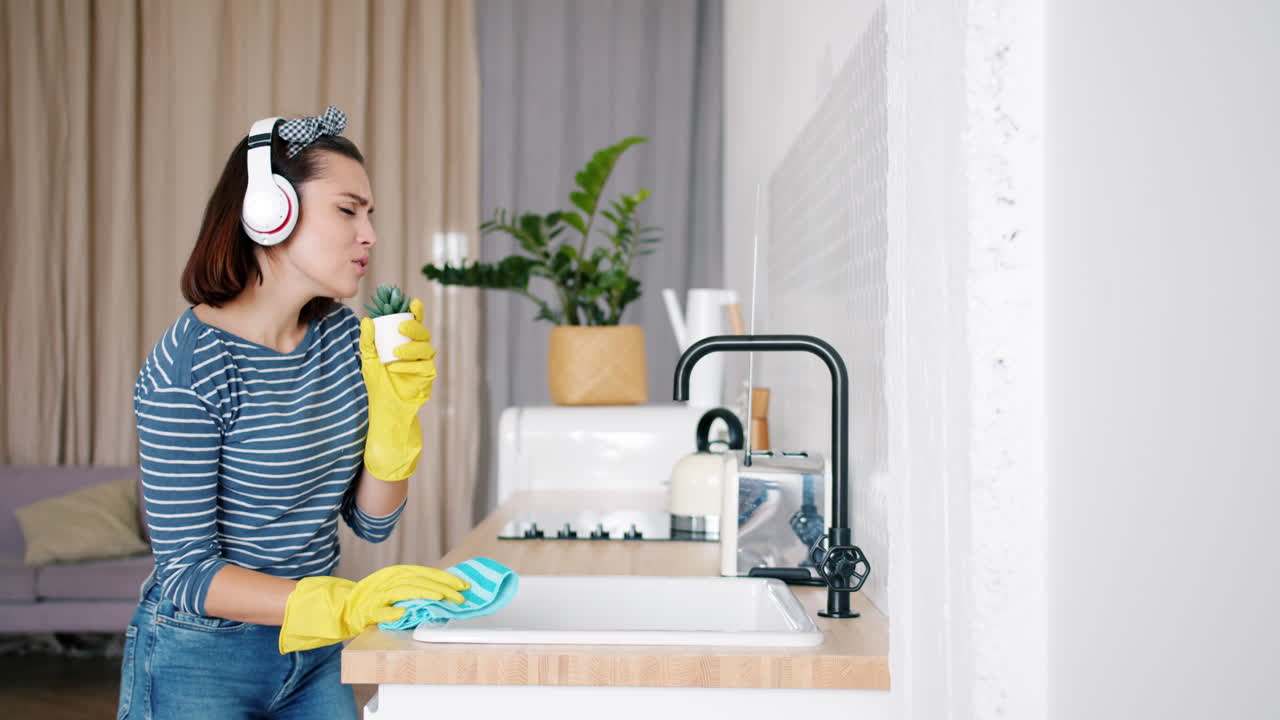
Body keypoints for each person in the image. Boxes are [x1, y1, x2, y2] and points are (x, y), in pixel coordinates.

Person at [116, 106, 467, 719]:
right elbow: (187, 575)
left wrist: (395, 419)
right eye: (347, 209)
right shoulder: (188, 369)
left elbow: (371, 522)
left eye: (370, 214)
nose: (370, 235)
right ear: (269, 211)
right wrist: (344, 604)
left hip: (313, 652)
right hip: (199, 657)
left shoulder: (340, 338)